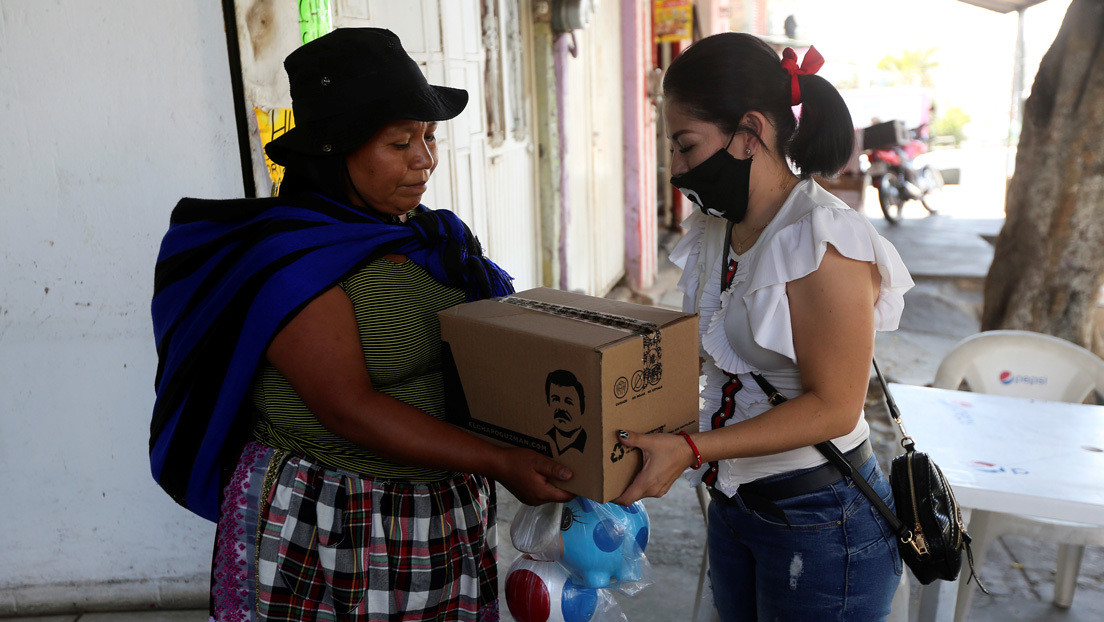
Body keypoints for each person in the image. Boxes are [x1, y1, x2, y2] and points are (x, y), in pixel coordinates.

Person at [148, 28, 574, 622]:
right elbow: (349, 408)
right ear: (335, 151)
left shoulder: (429, 238)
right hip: (334, 522)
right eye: (399, 142)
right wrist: (500, 462)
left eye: (428, 137)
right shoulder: (293, 259)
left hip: (441, 513)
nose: (424, 159)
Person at [612, 33, 914, 620]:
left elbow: (836, 408)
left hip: (821, 522)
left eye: (686, 145)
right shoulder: (718, 227)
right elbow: (707, 356)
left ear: (749, 132)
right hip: (737, 505)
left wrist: (692, 448)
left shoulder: (823, 239)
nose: (677, 169)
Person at [544, 369, 587, 456]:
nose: (561, 407)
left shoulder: (591, 444)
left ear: (581, 406)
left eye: (568, 402)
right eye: (555, 399)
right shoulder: (544, 438)